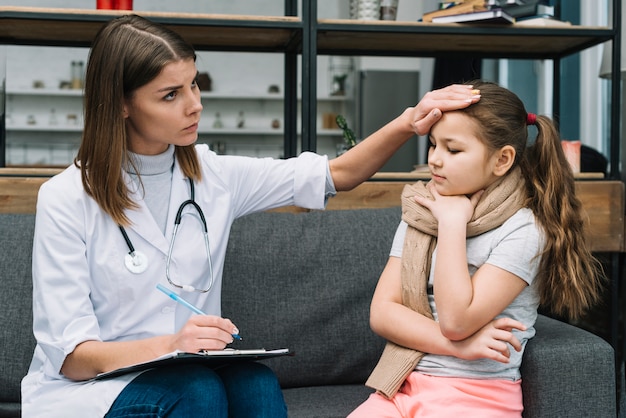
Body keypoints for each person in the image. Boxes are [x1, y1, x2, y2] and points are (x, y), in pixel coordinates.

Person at [20, 14, 481, 418]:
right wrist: (171, 346)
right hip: (90, 393)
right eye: (170, 94)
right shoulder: (65, 198)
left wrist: (409, 121)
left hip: (185, 373)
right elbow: (74, 357)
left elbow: (338, 174)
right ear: (121, 103)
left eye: (194, 83)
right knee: (196, 388)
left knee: (254, 382)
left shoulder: (212, 175)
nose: (195, 103)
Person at [348, 80, 604, 417]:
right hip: (402, 385)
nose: (435, 160)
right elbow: (382, 313)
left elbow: (456, 320)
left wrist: (452, 225)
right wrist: (461, 347)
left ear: (502, 160)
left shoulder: (524, 230)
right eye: (433, 145)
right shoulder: (423, 211)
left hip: (475, 396)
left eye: (453, 150)